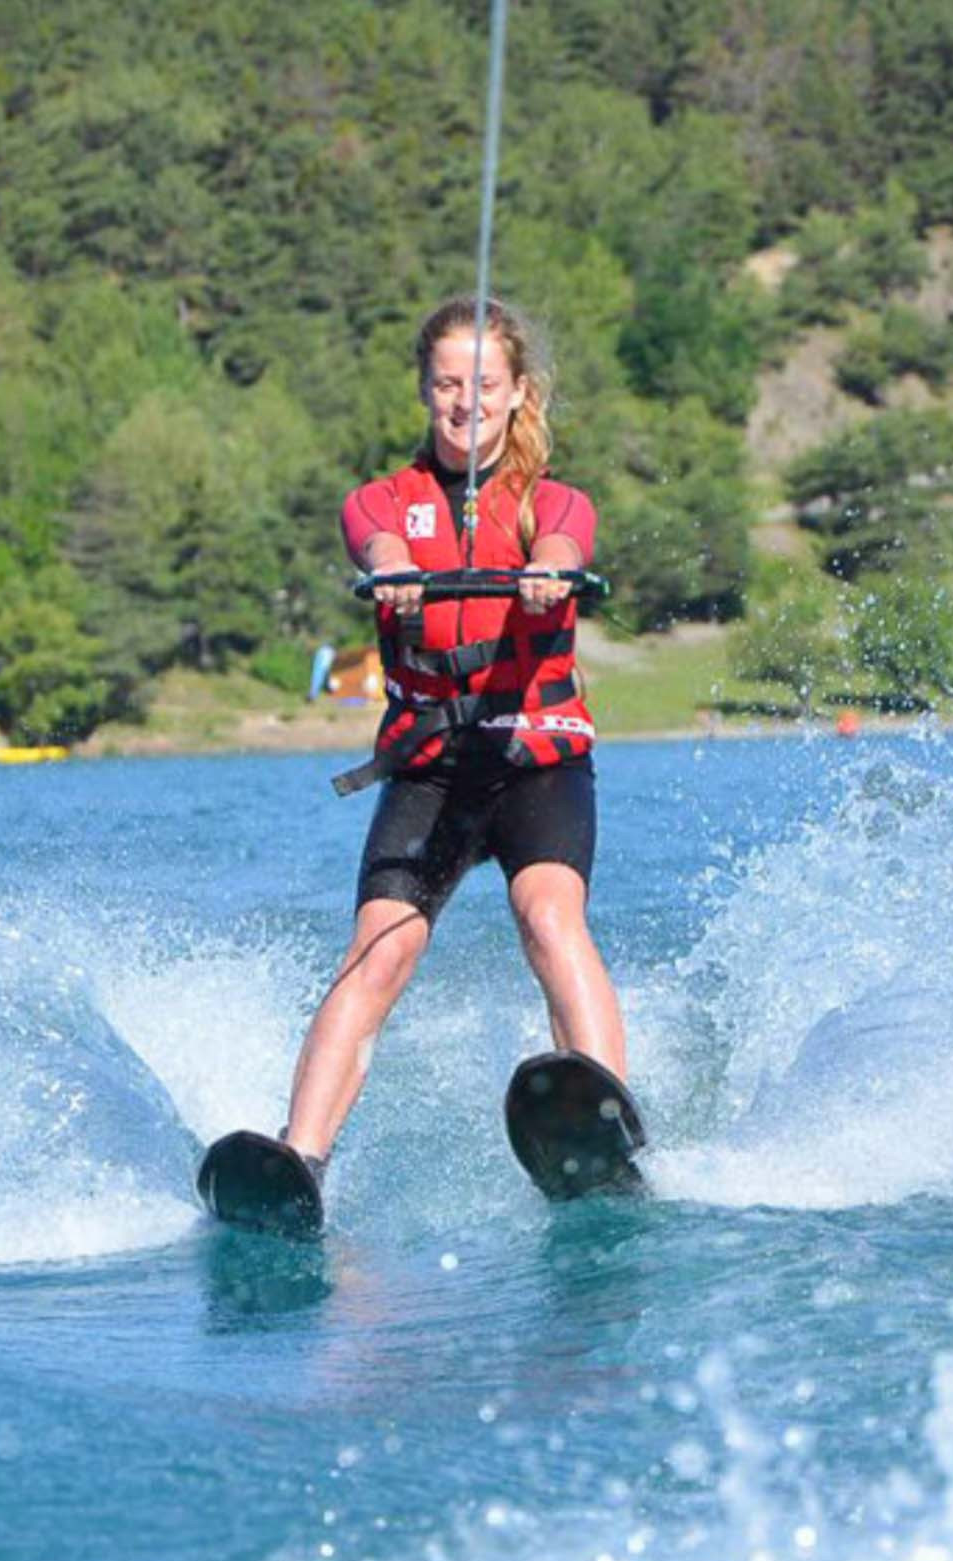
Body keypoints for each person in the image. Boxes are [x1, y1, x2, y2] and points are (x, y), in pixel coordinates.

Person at [279, 296, 626, 1179]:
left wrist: (550, 573)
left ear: (517, 394)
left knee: (548, 916)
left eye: (483, 384)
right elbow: (378, 542)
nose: (463, 402)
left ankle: (610, 1121)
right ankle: (299, 1158)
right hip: (432, 771)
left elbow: (564, 538)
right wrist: (392, 574)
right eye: (445, 384)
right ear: (424, 392)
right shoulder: (379, 501)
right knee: (379, 947)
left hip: (532, 758)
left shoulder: (556, 502)